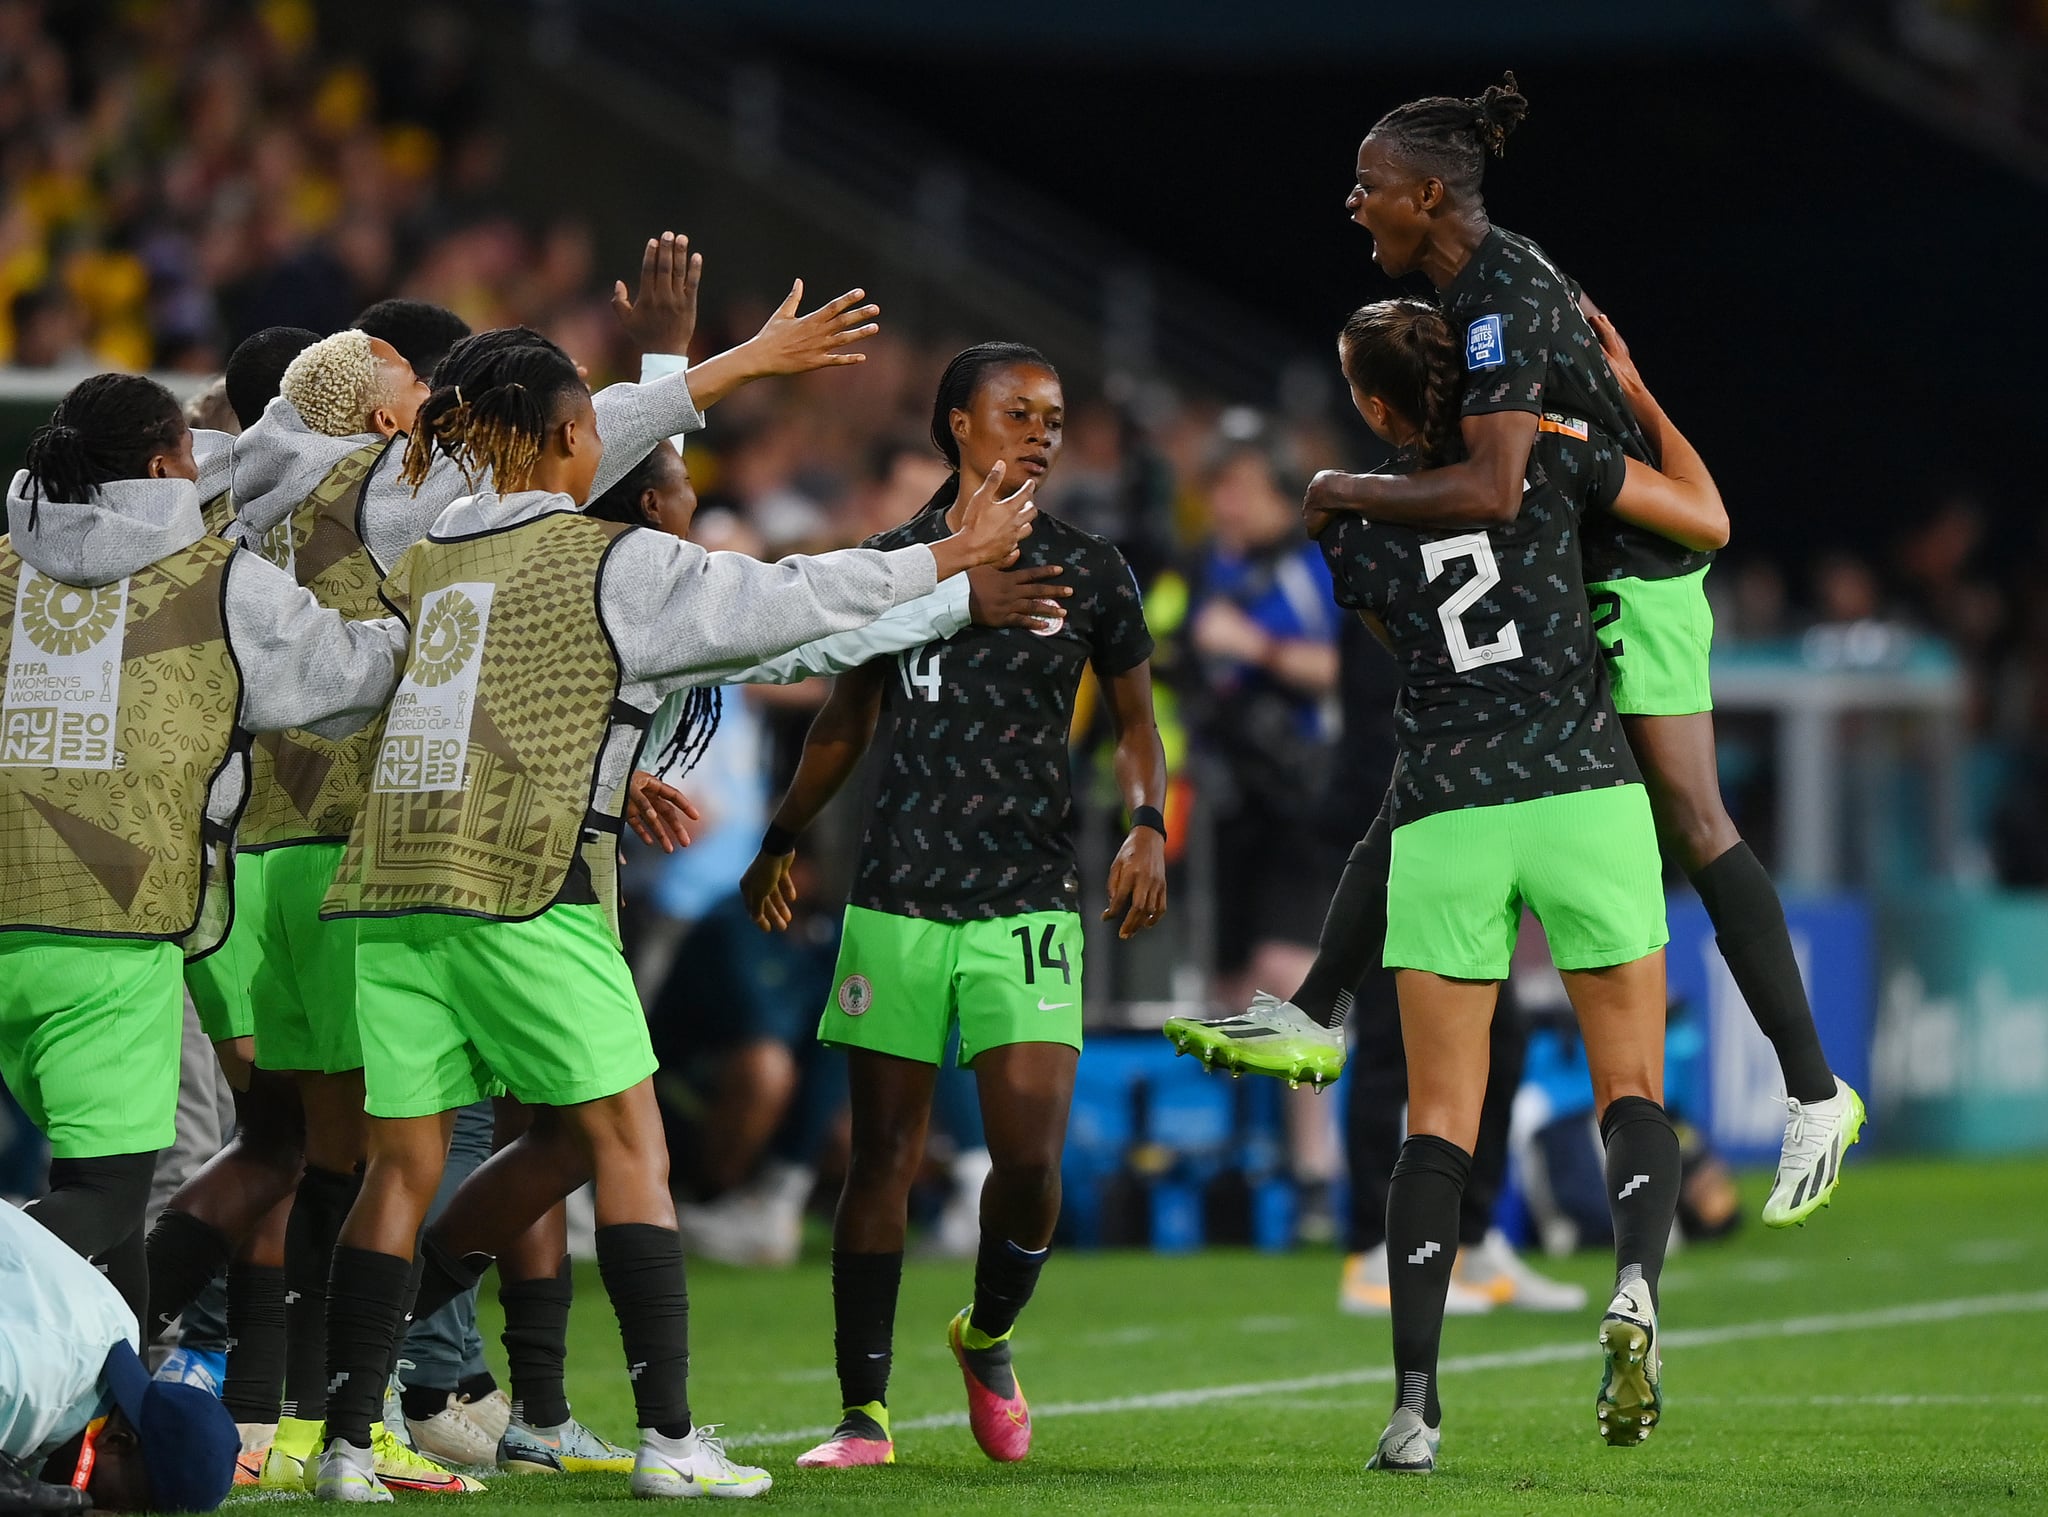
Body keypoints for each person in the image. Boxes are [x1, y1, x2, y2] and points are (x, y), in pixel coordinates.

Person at [307, 291, 1038, 1502]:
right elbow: (788, 602)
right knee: (627, 1141)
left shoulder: (426, 545)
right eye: (588, 423)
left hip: (391, 884)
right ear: (558, 442)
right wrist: (947, 556)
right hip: (522, 881)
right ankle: (668, 1437)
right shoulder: (615, 560)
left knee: (401, 1167)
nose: (606, 439)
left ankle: (343, 1444)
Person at [1170, 74, 1864, 1228]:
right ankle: (1314, 1005)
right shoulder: (1490, 286)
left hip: (1630, 576)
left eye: (1369, 185)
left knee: (1694, 821)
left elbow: (1496, 484)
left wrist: (1338, 486)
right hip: (1572, 568)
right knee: (1443, 769)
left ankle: (1810, 1089)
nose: (1352, 203)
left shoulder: (1499, 301)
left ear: (1428, 194)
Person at [1312, 296, 1731, 1470]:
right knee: (1629, 1081)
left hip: (1448, 809)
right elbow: (1701, 520)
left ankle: (1412, 1405)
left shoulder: (1349, 517)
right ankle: (1637, 1281)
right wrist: (1632, 391)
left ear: (1372, 404)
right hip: (1581, 792)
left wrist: (1348, 483)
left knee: (1435, 1115)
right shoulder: (1545, 449)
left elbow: (1419, 643)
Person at [739, 342, 1170, 1470]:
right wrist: (780, 835)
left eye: (1054, 412)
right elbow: (843, 718)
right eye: (1015, 410)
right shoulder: (892, 564)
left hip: (1026, 894)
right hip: (899, 894)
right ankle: (861, 1416)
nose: (1040, 428)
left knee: (1028, 1162)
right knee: (880, 1154)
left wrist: (1146, 823)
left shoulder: (1091, 570)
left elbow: (1134, 724)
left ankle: (985, 1333)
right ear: (955, 425)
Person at [0, 371, 406, 1333]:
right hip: (112, 928)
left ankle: (104, 1431)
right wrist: (440, 618)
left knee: (113, 1231)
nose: (201, 466)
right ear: (157, 468)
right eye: (189, 450)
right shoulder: (218, 579)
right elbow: (350, 675)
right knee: (101, 1201)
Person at [1, 1202, 238, 1515]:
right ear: (116, 1441)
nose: (106, 1514)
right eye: (120, 1507)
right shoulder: (28, 1389)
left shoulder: (120, 1326)